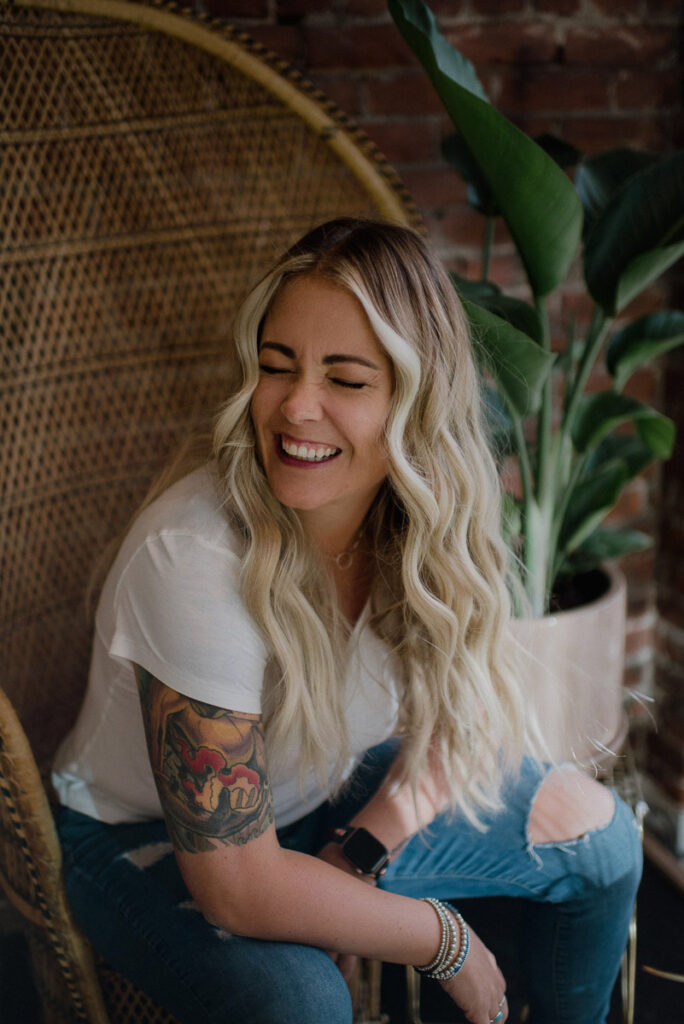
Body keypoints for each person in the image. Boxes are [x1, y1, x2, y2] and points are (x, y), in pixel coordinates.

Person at [53, 218, 642, 1024]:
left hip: (322, 793)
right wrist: (442, 939)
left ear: (415, 399)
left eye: (347, 379)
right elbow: (237, 885)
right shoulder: (193, 557)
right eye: (276, 366)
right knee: (302, 1003)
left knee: (601, 843)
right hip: (139, 839)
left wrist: (360, 850)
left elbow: (451, 722)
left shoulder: (429, 519)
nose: (298, 406)